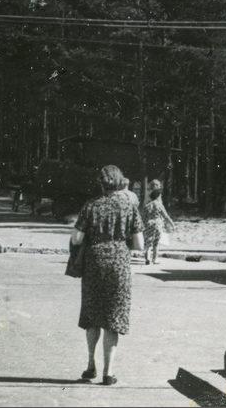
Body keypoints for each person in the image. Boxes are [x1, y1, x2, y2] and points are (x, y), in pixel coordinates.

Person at [71, 165, 144, 385]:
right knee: (113, 318)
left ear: (101, 183)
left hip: (94, 263)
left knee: (92, 315)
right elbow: (139, 244)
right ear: (120, 182)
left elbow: (76, 238)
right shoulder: (129, 206)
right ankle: (109, 372)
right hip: (119, 264)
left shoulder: (91, 205)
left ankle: (90, 364)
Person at [142, 182, 175, 265]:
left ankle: (147, 259)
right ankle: (154, 259)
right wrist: (171, 224)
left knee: (148, 242)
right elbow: (165, 216)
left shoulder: (147, 205)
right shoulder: (159, 205)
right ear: (158, 196)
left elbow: (143, 217)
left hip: (148, 224)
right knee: (156, 243)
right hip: (157, 224)